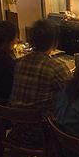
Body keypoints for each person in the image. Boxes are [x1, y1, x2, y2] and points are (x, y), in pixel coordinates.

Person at [9, 19, 71, 148]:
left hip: (17, 127)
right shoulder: (56, 66)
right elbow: (73, 94)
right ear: (54, 42)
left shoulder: (19, 62)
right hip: (41, 130)